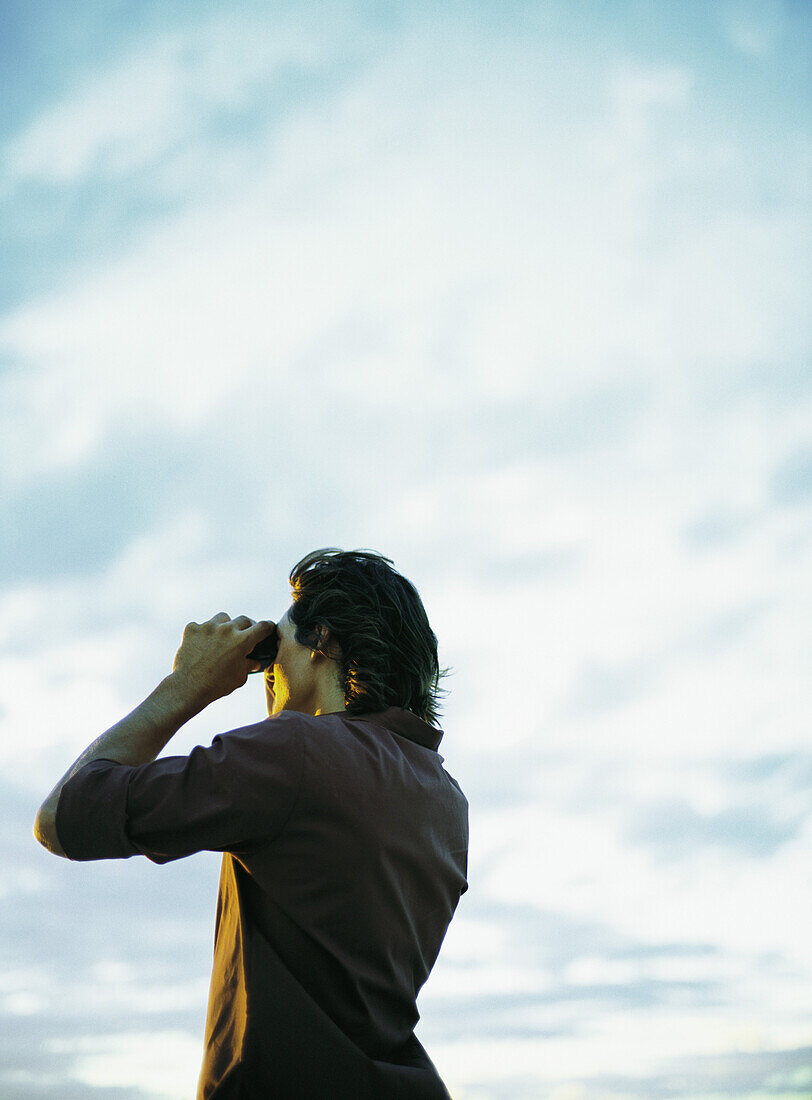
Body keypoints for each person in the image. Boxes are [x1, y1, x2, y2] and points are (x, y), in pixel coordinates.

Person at [34, 548, 469, 1098]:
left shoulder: (296, 754)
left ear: (324, 642)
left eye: (275, 649)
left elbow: (63, 817)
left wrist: (188, 683)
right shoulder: (445, 797)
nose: (270, 672)